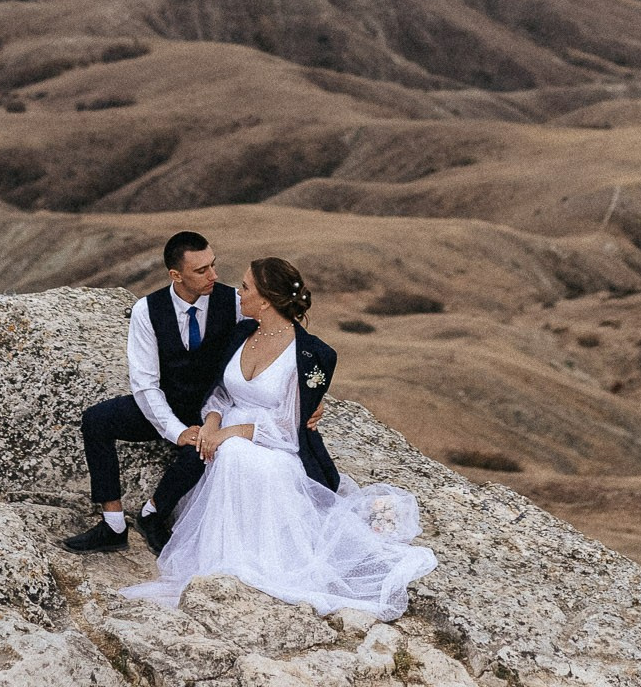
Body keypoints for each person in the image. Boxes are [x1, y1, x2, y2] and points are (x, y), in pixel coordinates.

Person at [121, 257, 436, 620]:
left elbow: (289, 426)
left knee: (235, 453)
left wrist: (231, 433)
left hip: (275, 445)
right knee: (228, 451)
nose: (238, 293)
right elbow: (220, 392)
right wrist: (211, 424)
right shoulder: (241, 333)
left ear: (266, 300)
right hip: (225, 429)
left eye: (246, 288)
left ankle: (244, 560)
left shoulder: (311, 354)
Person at [61, 230, 241, 553]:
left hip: (211, 408)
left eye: (213, 265)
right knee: (96, 420)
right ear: (176, 275)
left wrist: (310, 394)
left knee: (205, 449)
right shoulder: (147, 310)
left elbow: (281, 331)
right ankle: (113, 525)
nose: (213, 275)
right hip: (163, 404)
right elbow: (144, 383)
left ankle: (153, 513)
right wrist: (175, 431)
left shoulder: (235, 303)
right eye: (201, 270)